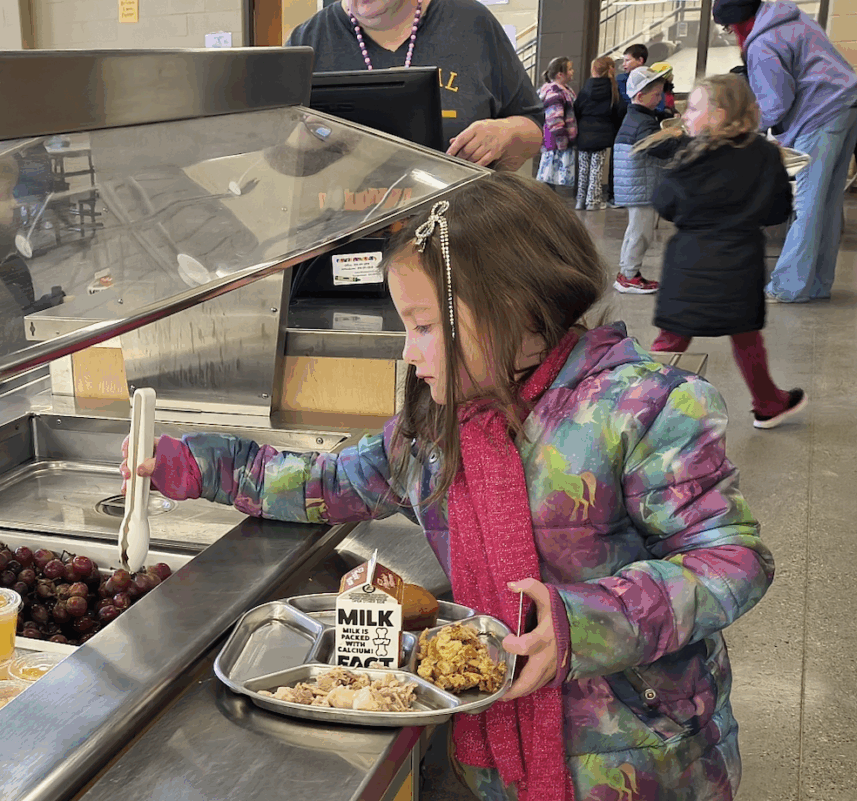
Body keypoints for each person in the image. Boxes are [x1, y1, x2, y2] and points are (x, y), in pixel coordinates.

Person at [122, 172, 774, 801]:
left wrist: (587, 621)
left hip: (643, 757)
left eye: (426, 325)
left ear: (517, 308)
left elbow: (732, 559)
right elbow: (327, 481)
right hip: (498, 749)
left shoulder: (646, 411)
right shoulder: (435, 429)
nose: (408, 351)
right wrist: (200, 465)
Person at [641, 74, 806, 429]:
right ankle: (768, 402)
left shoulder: (690, 153)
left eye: (695, 107)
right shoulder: (764, 153)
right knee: (747, 340)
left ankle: (641, 403)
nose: (685, 115)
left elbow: (664, 203)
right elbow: (778, 211)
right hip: (740, 263)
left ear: (721, 113)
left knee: (670, 340)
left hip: (688, 264)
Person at [713, 0, 857, 304]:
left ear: (738, 22)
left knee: (808, 203)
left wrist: (742, 129)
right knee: (827, 201)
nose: (730, 34)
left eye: (728, 28)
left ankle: (789, 286)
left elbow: (775, 103)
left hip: (821, 114)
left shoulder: (762, 43)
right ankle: (817, 283)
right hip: (849, 104)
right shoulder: (788, 17)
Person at [285, 0, 544, 170]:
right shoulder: (307, 40)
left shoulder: (473, 23)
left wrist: (505, 133)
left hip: (459, 234)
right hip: (343, 238)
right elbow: (275, 159)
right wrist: (294, 145)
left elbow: (534, 129)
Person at [612, 64, 672, 294]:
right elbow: (659, 148)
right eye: (656, 95)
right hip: (641, 185)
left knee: (635, 230)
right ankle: (629, 276)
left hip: (636, 184)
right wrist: (676, 139)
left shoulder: (637, 117)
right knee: (641, 233)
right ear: (640, 96)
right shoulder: (643, 122)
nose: (660, 99)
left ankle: (627, 272)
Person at [573, 56, 623, 210]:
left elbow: (577, 108)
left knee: (583, 169)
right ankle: (593, 201)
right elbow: (619, 112)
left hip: (584, 133)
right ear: (611, 69)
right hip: (603, 135)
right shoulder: (613, 89)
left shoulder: (586, 87)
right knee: (597, 169)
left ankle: (580, 200)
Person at [536, 58, 578, 191]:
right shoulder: (555, 92)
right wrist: (562, 141)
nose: (572, 72)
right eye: (570, 69)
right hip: (555, 140)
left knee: (552, 176)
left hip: (559, 140)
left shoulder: (565, 90)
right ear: (560, 74)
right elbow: (554, 119)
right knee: (549, 177)